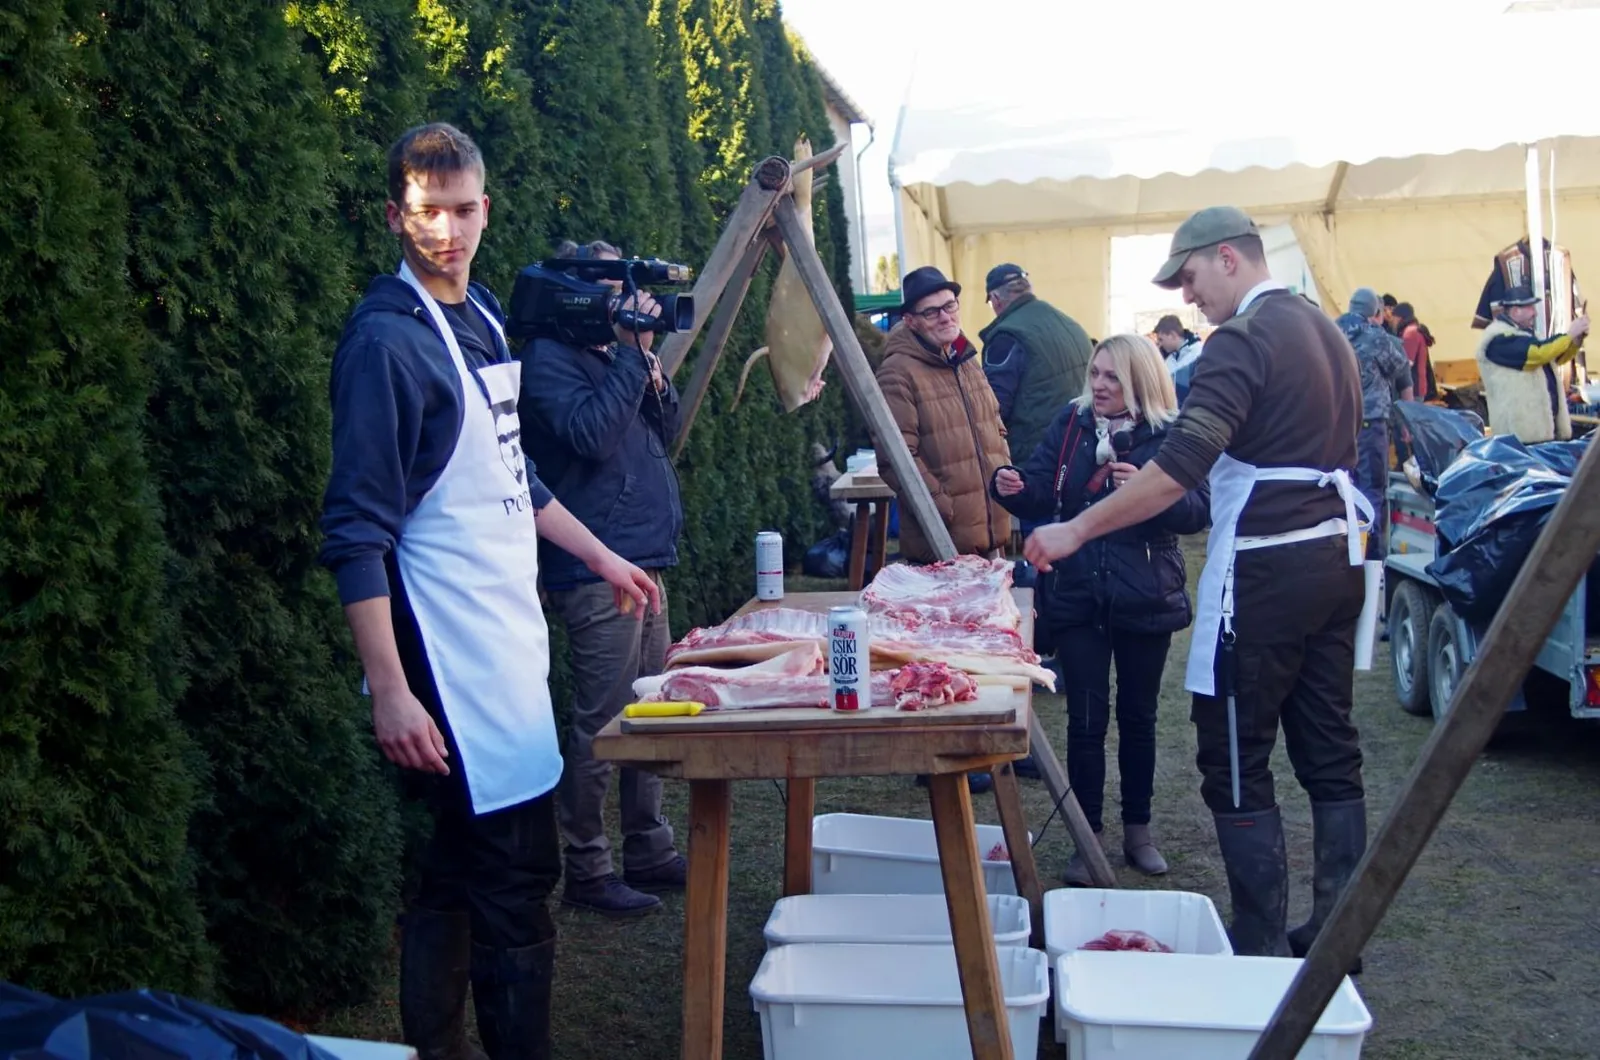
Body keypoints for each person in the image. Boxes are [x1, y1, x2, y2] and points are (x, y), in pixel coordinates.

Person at [318, 122, 661, 1060]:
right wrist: (389, 688)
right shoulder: (387, 345)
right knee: (516, 875)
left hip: (505, 638)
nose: (449, 231)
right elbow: (356, 531)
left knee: (455, 867)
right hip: (445, 654)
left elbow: (515, 477)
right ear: (397, 215)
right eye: (429, 214)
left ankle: (438, 1045)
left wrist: (600, 557)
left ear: (485, 208)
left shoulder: (486, 317)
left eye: (465, 210)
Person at [1024, 206, 1374, 965]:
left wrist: (1076, 528)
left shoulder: (1241, 342)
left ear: (1227, 258)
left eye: (1189, 279)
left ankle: (1259, 941)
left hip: (1270, 566)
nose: (1188, 298)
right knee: (1328, 744)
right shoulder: (1323, 328)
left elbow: (1180, 466)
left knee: (1237, 752)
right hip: (1337, 558)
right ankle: (1336, 933)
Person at [991, 335, 1209, 884]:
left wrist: (1151, 494)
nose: (1100, 385)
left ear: (1140, 379)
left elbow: (1198, 510)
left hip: (1144, 595)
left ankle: (1140, 831)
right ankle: (1087, 839)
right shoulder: (1072, 424)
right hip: (1079, 594)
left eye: (1113, 376)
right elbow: (1043, 491)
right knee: (1085, 722)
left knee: (1139, 719)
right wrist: (1011, 488)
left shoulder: (1171, 435)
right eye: (1096, 373)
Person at [517, 239, 688, 919]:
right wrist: (624, 356)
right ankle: (588, 867)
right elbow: (588, 435)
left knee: (650, 705)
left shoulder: (608, 355)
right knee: (603, 721)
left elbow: (662, 432)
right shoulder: (545, 361)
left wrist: (651, 370)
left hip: (642, 555)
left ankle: (648, 845)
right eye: (609, 285)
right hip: (593, 565)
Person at [877, 266, 1012, 564]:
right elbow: (895, 457)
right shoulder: (897, 371)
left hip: (990, 532)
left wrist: (1004, 476)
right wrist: (939, 506)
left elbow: (996, 428)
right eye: (931, 312)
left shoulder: (966, 360)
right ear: (911, 322)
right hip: (940, 543)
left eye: (950, 305)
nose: (945, 316)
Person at [978, 264, 1094, 480]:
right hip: (1080, 451)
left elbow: (994, 409)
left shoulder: (1007, 335)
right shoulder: (1069, 323)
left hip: (1037, 462)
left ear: (995, 298)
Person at [1336, 288, 1413, 558]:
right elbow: (1402, 372)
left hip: (1335, 426)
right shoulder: (1377, 337)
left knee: (1341, 490)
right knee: (1371, 492)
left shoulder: (1330, 332)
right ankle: (1370, 560)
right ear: (1375, 313)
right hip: (1370, 424)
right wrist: (1408, 422)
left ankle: (1342, 554)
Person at [1475, 283, 1590, 444]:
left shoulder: (1523, 336)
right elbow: (1538, 354)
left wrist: (1576, 340)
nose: (1535, 313)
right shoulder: (1498, 339)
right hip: (1520, 437)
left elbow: (1555, 359)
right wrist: (1570, 334)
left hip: (1542, 433)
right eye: (1531, 308)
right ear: (1516, 310)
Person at [1153, 314, 1203, 404]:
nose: (1159, 344)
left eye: (1161, 339)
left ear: (1172, 335)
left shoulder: (1198, 353)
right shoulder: (1170, 357)